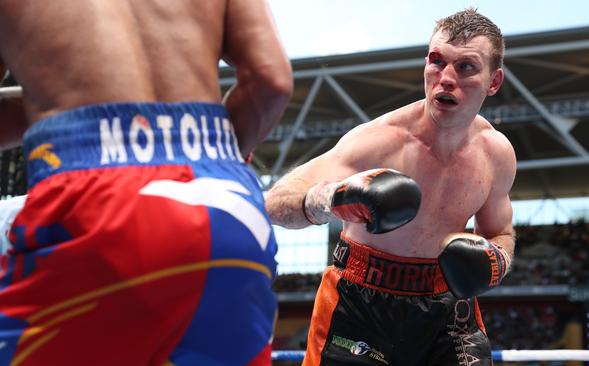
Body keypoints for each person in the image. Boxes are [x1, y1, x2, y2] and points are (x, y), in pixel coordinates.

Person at [0, 0, 292, 364]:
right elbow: (272, 81)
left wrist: (61, 109)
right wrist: (199, 149)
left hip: (93, 195)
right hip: (225, 198)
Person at [265, 8, 516, 365]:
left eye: (466, 67)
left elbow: (500, 233)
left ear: (493, 82)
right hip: (360, 303)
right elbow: (273, 202)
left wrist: (496, 261)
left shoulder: (496, 154)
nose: (445, 78)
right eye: (436, 61)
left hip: (447, 309)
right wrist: (329, 198)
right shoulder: (379, 143)